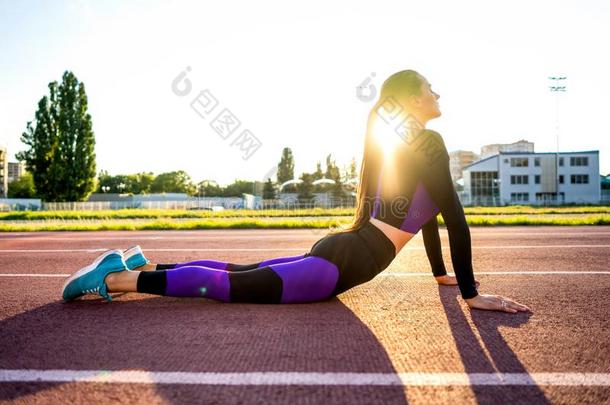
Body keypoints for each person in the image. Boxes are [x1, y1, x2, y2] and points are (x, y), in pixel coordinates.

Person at [62, 69, 531, 314]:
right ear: (411, 99)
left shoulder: (409, 149)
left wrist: (442, 275)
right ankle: (117, 280)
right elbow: (452, 215)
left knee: (238, 271)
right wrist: (472, 294)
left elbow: (431, 218)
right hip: (343, 263)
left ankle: (141, 266)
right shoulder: (428, 144)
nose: (438, 94)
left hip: (344, 252)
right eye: (431, 88)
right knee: (228, 285)